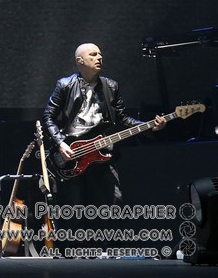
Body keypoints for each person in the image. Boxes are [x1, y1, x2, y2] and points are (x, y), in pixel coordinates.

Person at [42, 43, 164, 210]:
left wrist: (150, 126)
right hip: (73, 155)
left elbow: (122, 119)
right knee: (75, 211)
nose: (99, 57)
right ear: (80, 61)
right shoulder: (65, 85)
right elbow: (48, 117)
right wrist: (61, 143)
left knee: (114, 205)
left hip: (102, 152)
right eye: (93, 54)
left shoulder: (111, 86)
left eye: (100, 54)